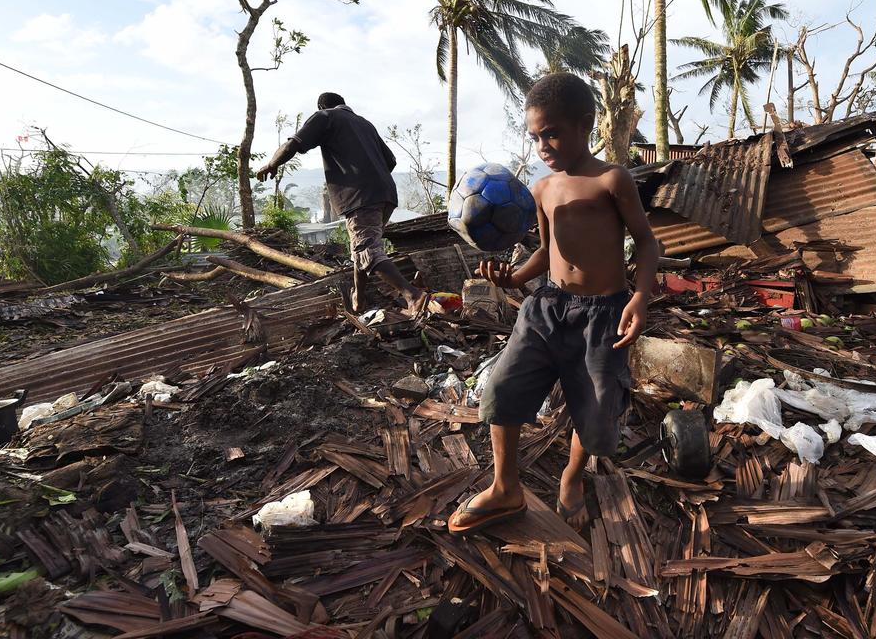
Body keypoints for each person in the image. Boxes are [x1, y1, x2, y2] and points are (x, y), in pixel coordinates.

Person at [446, 72, 660, 534]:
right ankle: (506, 488)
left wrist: (640, 296)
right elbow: (545, 252)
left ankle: (571, 475)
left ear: (585, 125)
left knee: (598, 408)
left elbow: (645, 242)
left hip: (604, 315)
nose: (543, 145)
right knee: (501, 389)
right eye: (535, 136)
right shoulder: (541, 189)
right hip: (547, 308)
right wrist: (513, 277)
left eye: (552, 132)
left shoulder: (611, 179)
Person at [256, 92, 428, 314]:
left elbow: (293, 145)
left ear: (321, 106)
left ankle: (412, 295)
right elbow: (391, 160)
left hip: (360, 197)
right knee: (361, 249)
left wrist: (271, 164)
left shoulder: (325, 117)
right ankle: (359, 299)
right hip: (385, 194)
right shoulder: (366, 124)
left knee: (366, 249)